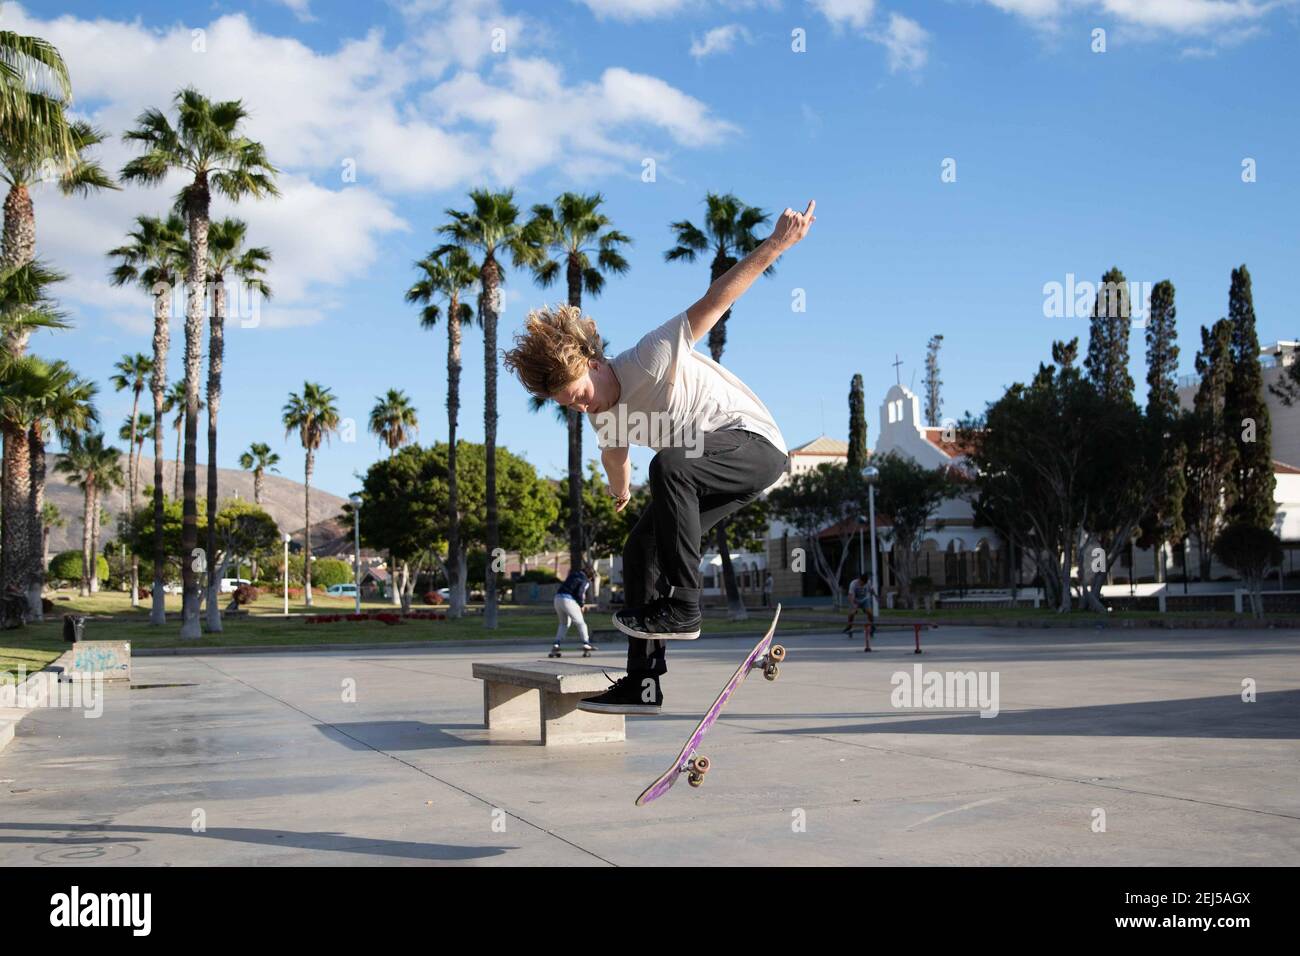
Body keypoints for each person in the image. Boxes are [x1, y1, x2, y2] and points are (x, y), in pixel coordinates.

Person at [504, 200, 816, 715]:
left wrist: (776, 245)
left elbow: (716, 299)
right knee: (639, 550)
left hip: (754, 446)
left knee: (670, 463)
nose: (582, 405)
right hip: (711, 473)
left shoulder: (651, 354)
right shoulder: (603, 415)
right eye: (569, 404)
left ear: (595, 362)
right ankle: (643, 683)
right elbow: (615, 457)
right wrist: (620, 493)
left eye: (579, 393)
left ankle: (686, 607)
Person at [549, 565, 595, 658]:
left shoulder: (573, 574)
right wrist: (581, 605)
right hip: (568, 600)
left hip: (557, 599)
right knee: (581, 623)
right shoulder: (585, 580)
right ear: (590, 576)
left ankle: (556, 644)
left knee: (564, 624)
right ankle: (586, 643)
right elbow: (581, 592)